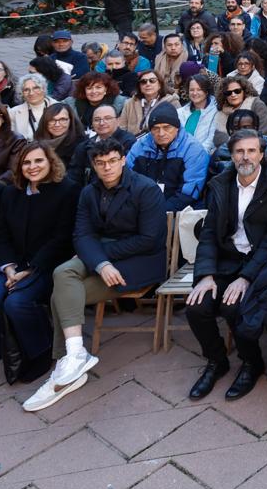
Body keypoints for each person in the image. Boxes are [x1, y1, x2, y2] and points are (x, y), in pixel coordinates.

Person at [23, 140, 165, 411]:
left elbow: (150, 239)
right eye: (100, 163)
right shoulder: (89, 192)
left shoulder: (145, 189)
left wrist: (102, 257)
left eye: (112, 161)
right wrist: (100, 263)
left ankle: (63, 366)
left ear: (123, 160)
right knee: (62, 273)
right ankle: (75, 356)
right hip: (101, 257)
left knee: (61, 296)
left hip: (139, 262)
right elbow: (81, 234)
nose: (107, 167)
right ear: (93, 165)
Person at [187, 130, 267, 402]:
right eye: (240, 151)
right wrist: (205, 274)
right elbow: (207, 235)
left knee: (234, 308)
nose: (246, 157)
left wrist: (247, 277)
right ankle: (216, 361)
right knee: (196, 307)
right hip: (224, 261)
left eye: (252, 151)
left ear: (262, 155)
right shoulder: (220, 185)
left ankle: (251, 362)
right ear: (232, 155)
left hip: (256, 264)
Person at [0, 141, 78, 384]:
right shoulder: (10, 192)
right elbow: (0, 235)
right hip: (12, 266)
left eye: (38, 161)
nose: (32, 167)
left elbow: (62, 238)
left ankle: (41, 352)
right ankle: (13, 349)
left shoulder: (67, 190)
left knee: (17, 304)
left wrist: (29, 269)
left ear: (50, 162)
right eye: (26, 162)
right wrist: (9, 267)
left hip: (47, 265)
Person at [125, 101, 210, 211]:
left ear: (177, 127)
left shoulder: (193, 150)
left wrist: (158, 211)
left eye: (167, 127)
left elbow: (190, 192)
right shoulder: (140, 146)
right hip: (141, 205)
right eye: (155, 128)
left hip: (177, 210)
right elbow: (126, 178)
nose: (161, 133)